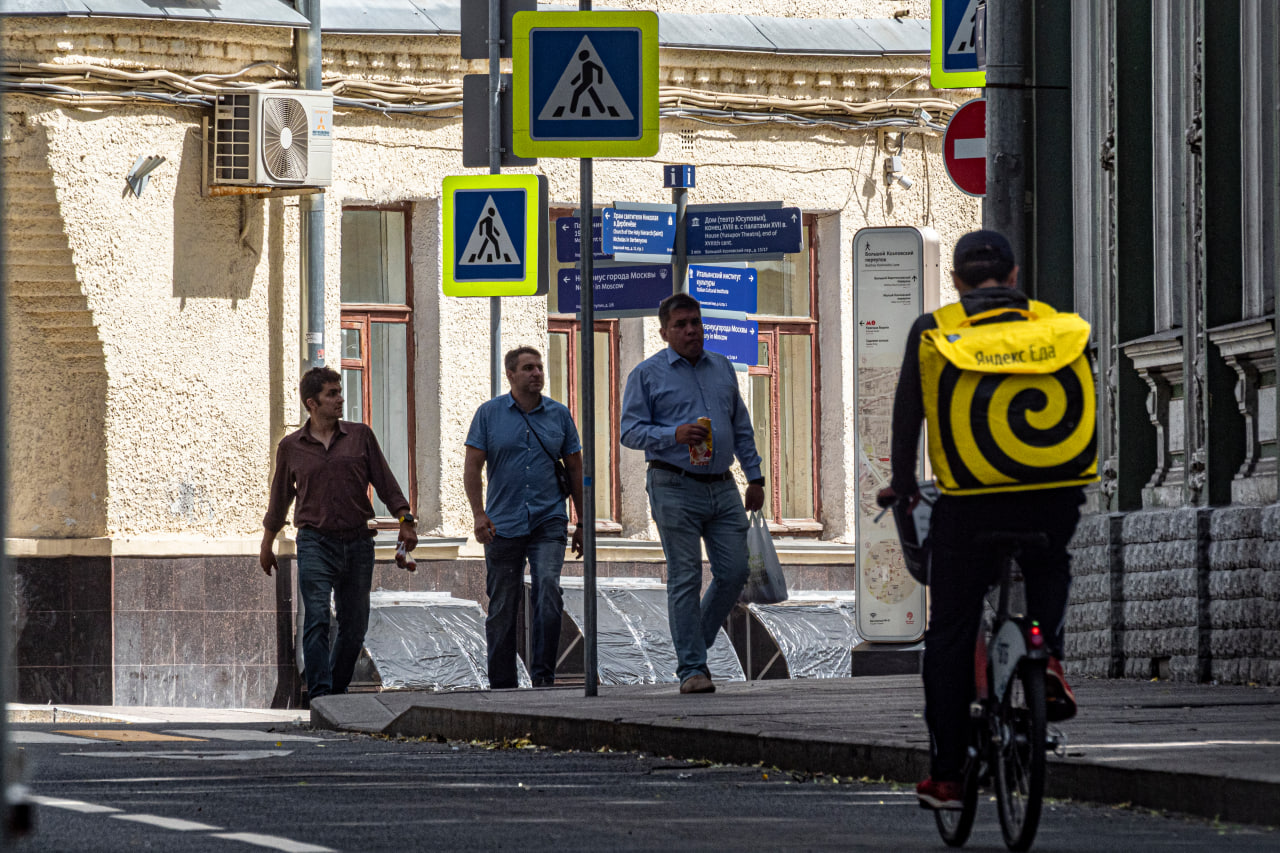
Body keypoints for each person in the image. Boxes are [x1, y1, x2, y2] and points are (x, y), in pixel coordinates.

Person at [880, 230, 1083, 811]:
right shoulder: (1055, 325)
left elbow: (906, 418)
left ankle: (946, 775)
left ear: (957, 282)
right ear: (1015, 277)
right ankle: (1047, 658)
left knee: (950, 630)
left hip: (971, 500)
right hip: (1053, 492)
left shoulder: (934, 330)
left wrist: (904, 486)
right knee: (1050, 560)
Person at [620, 292, 765, 695]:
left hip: (723, 486)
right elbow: (629, 431)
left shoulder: (721, 367)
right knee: (685, 574)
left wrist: (755, 476)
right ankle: (692, 669)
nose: (691, 331)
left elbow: (740, 426)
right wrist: (674, 434)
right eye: (681, 325)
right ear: (664, 331)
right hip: (673, 483)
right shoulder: (646, 375)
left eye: (696, 323)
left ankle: (692, 644)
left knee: (735, 571)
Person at [260, 366, 417, 701]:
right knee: (316, 616)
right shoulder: (292, 447)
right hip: (315, 542)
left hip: (359, 542)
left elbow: (385, 483)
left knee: (355, 625)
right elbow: (280, 499)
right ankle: (320, 696)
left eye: (339, 392)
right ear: (311, 403)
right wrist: (267, 542)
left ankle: (336, 688)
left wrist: (406, 519)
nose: (340, 399)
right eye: (331, 394)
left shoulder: (360, 436)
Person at [465, 347, 584, 689]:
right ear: (511, 375)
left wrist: (582, 522)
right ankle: (502, 684)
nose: (536, 373)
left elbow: (575, 468)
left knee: (548, 588)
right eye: (528, 368)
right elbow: (473, 466)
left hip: (549, 520)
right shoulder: (488, 415)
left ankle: (544, 676)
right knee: (503, 603)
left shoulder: (559, 415)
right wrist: (478, 514)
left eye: (539, 367)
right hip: (502, 522)